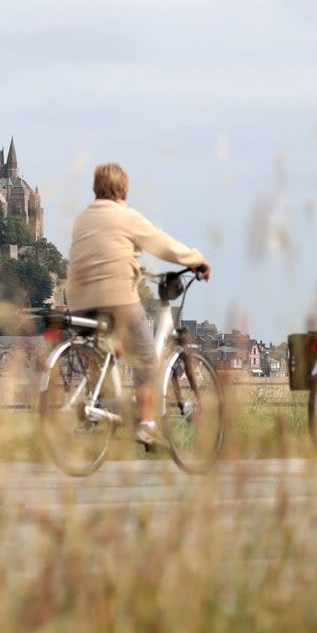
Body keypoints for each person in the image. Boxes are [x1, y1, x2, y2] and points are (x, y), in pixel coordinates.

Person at [66, 163, 211, 445]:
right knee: (146, 357)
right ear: (124, 189)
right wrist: (196, 259)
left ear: (96, 188)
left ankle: (104, 405)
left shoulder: (82, 218)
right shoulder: (126, 216)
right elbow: (161, 244)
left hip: (78, 300)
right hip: (115, 297)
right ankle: (146, 424)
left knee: (110, 348)